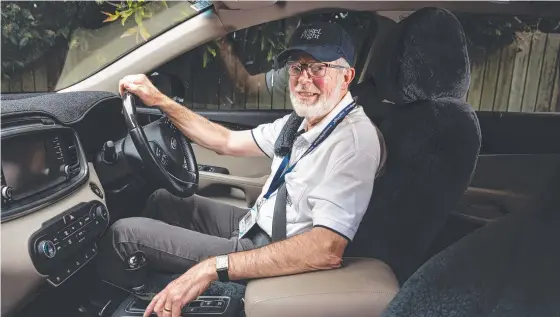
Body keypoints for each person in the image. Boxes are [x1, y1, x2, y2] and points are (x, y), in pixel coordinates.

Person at [98, 21, 382, 317]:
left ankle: (106, 306)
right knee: (161, 200)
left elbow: (326, 249)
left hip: (277, 251)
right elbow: (226, 141)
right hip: (257, 224)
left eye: (318, 68)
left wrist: (213, 267)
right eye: (297, 68)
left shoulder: (353, 141)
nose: (302, 80)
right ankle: (153, 286)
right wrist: (157, 99)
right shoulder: (302, 123)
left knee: (124, 236)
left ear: (346, 76)